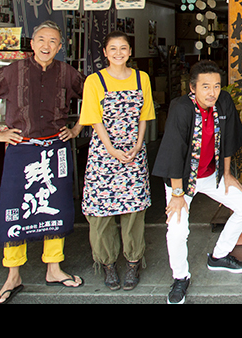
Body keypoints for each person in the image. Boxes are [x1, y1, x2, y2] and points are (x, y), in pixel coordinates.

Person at [0, 20, 85, 304]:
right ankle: (13, 275)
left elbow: (92, 98)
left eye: (53, 41)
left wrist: (78, 127)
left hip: (55, 147)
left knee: (56, 207)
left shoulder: (68, 72)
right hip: (22, 149)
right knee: (14, 210)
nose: (47, 46)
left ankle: (54, 268)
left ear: (60, 47)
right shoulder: (12, 71)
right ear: (32, 44)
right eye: (42, 40)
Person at [152, 60, 242, 305]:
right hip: (182, 180)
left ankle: (218, 256)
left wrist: (228, 174)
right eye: (205, 86)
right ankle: (180, 277)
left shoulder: (224, 102)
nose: (212, 92)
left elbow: (229, 139)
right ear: (193, 88)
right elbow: (174, 150)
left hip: (210, 175)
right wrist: (177, 195)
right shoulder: (181, 108)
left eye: (217, 86)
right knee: (177, 229)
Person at [78, 31, 155, 291]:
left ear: (130, 51)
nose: (118, 53)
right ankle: (107, 264)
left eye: (123, 48)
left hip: (134, 152)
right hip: (103, 155)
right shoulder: (94, 81)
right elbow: (94, 118)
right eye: (113, 48)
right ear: (105, 52)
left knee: (135, 210)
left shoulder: (140, 77)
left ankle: (133, 261)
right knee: (101, 213)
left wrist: (137, 145)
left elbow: (145, 114)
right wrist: (111, 149)